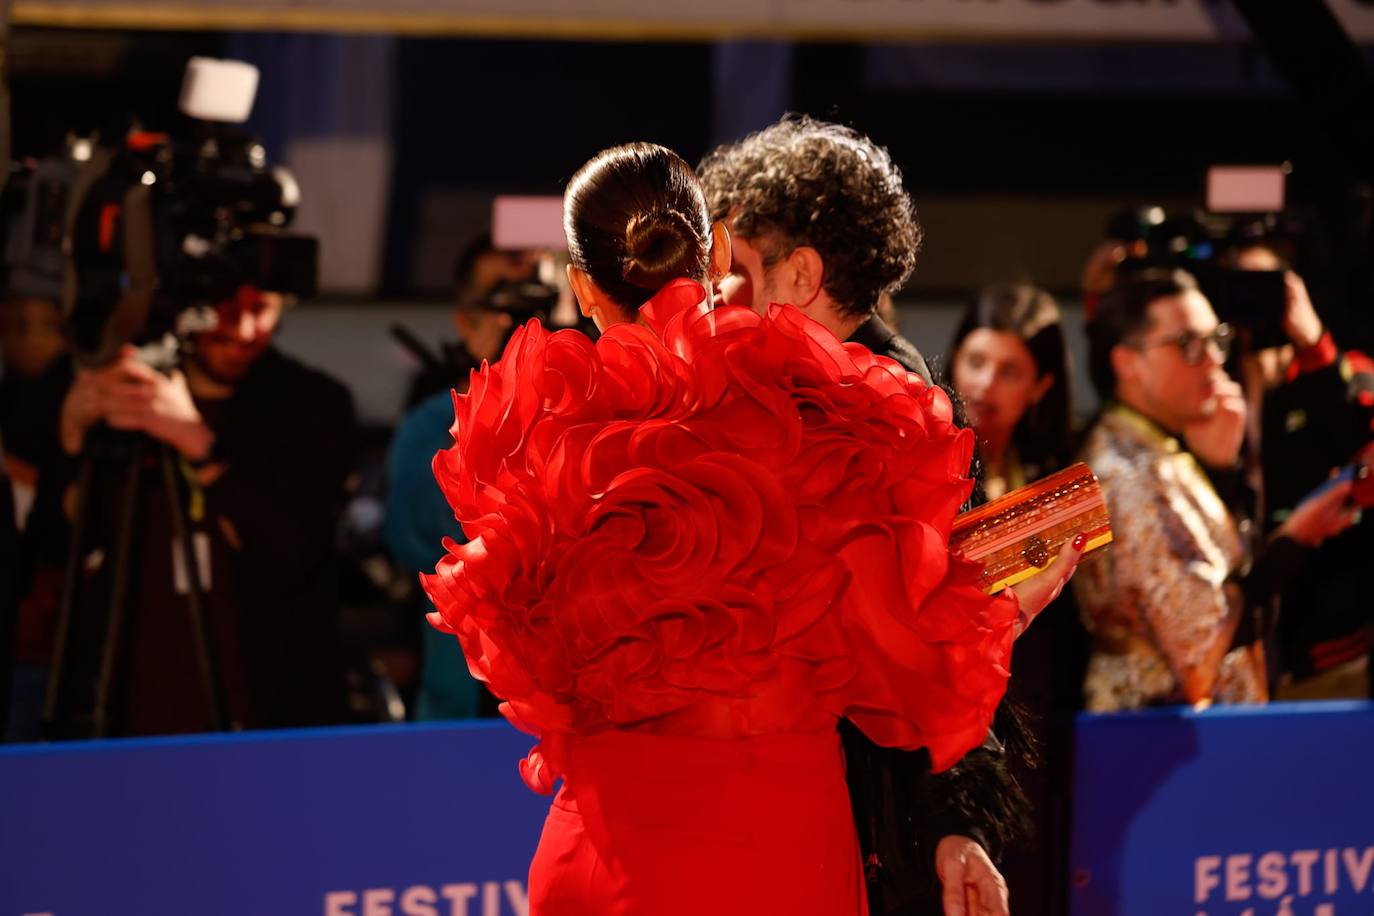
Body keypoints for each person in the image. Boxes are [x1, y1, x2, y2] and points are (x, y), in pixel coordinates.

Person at [424, 141, 1084, 916]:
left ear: (580, 286)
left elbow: (512, 662)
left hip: (601, 853)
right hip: (776, 848)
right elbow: (902, 657)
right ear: (716, 260)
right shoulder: (829, 417)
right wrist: (1002, 611)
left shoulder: (527, 434)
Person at [698, 115, 1020, 916]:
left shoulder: (900, 418)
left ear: (800, 273)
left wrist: (956, 825)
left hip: (860, 831)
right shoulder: (800, 392)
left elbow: (949, 640)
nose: (715, 294)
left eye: (735, 268)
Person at [33, 285, 356, 736]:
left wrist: (200, 446)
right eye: (226, 308)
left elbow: (293, 553)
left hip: (263, 706)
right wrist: (71, 438)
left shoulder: (311, 403)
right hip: (125, 705)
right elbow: (53, 548)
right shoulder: (107, 386)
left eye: (261, 310)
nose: (244, 331)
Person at [1075, 270, 1357, 712]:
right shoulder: (1124, 473)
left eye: (1216, 339)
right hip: (1150, 742)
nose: (1212, 360)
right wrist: (1294, 540)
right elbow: (1200, 637)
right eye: (1187, 343)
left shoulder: (1155, 450)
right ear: (1127, 363)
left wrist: (1223, 472)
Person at [945, 284, 1085, 916]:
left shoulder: (1061, 481)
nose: (985, 384)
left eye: (1009, 371)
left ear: (1044, 386)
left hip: (1032, 728)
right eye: (975, 362)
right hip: (952, 727)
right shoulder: (930, 460)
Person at [385, 234, 540, 720]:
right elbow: (421, 551)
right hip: (462, 698)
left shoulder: (596, 419)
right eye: (497, 301)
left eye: (530, 298)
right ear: (463, 321)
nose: (512, 318)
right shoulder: (428, 430)